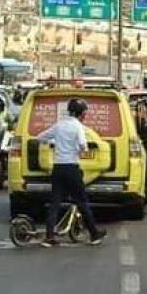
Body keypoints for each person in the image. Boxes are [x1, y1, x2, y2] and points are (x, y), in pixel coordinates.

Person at [35, 97, 105, 247]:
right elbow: (83, 146)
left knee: (55, 203)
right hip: (72, 168)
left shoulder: (59, 125)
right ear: (80, 114)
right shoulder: (77, 126)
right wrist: (80, 150)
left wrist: (53, 143)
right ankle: (94, 233)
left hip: (58, 168)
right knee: (81, 202)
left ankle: (49, 236)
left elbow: (40, 137)